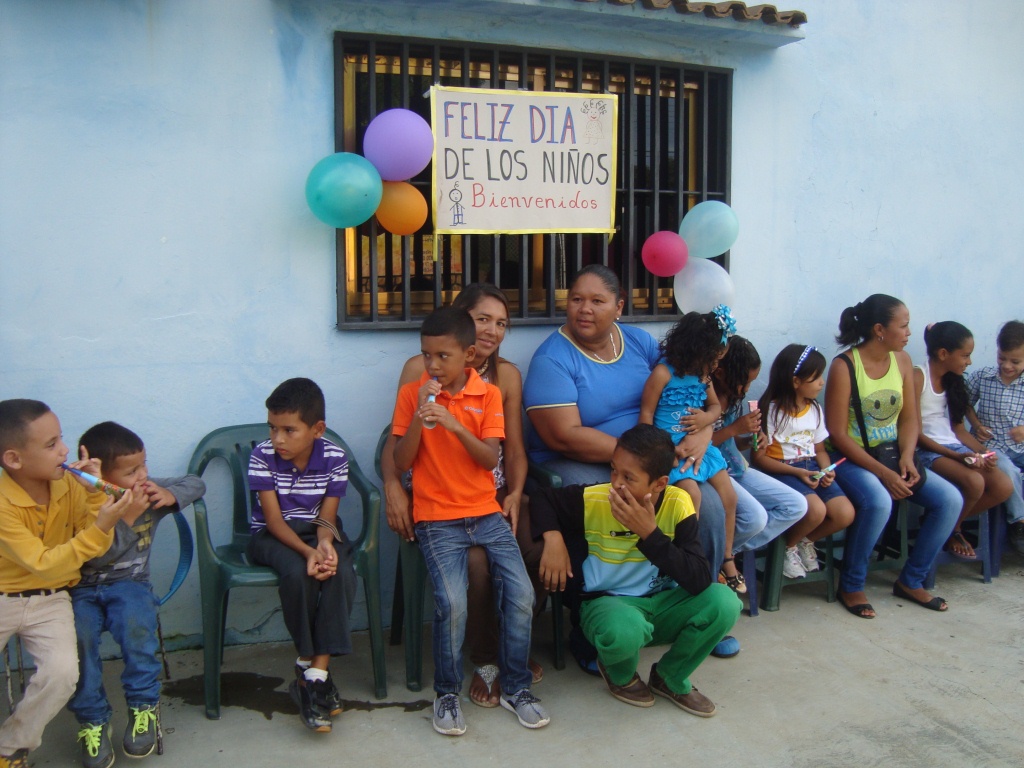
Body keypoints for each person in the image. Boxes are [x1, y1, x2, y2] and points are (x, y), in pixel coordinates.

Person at [523, 264, 738, 659]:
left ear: (619, 306)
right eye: (576, 299)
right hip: (581, 459)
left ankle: (698, 607)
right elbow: (563, 435)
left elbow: (686, 384)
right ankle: (595, 625)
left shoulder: (638, 342)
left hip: (655, 450)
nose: (583, 309)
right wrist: (643, 458)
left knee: (699, 507)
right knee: (610, 505)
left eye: (596, 301)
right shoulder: (552, 360)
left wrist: (705, 430)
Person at [379, 283, 542, 708]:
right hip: (440, 495)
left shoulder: (502, 379)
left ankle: (516, 656)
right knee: (475, 565)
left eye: (501, 323)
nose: (491, 330)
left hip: (491, 489)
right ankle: (486, 660)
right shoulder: (420, 370)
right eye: (482, 319)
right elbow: (395, 443)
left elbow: (512, 450)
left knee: (530, 547)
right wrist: (393, 487)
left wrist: (516, 493)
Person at [531, 424, 740, 716]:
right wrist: (553, 538)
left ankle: (670, 676)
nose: (616, 483)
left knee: (725, 602)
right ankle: (621, 676)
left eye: (629, 477)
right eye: (614, 470)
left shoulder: (679, 504)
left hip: (662, 605)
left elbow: (698, 579)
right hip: (610, 606)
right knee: (625, 630)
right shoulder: (597, 499)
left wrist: (650, 535)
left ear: (659, 483)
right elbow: (542, 499)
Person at [0, 399, 132, 768]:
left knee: (61, 674)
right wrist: (101, 525)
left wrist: (93, 496)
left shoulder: (70, 486)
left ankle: (11, 746)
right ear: (14, 460)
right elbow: (42, 562)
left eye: (62, 439)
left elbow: (94, 543)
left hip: (52, 599)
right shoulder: (2, 504)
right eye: (51, 444)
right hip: (3, 596)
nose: (64, 451)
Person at [70, 422, 206, 768]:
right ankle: (92, 719)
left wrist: (173, 495)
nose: (143, 476)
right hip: (80, 590)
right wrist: (127, 517)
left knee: (136, 626)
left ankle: (143, 706)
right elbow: (95, 556)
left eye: (144, 465)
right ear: (101, 473)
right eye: (131, 471)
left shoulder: (148, 490)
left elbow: (196, 482)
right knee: (78, 639)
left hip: (130, 585)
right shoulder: (79, 500)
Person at [824, 294, 961, 618]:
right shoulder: (845, 366)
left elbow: (910, 418)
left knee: (950, 501)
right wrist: (884, 474)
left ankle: (911, 580)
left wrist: (907, 457)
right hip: (851, 459)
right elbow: (838, 434)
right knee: (879, 501)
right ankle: (852, 584)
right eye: (904, 325)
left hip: (894, 456)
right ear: (879, 329)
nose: (909, 332)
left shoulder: (902, 360)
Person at [247, 378, 356, 733]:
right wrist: (308, 552)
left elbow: (328, 515)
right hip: (271, 535)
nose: (278, 439)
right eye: (273, 428)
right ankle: (315, 676)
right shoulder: (262, 456)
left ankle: (313, 675)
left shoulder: (335, 457)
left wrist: (324, 544)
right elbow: (275, 522)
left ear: (317, 429)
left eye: (289, 430)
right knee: (298, 573)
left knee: (339, 569)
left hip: (316, 530)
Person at [639, 306, 744, 594]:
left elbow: (715, 407)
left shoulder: (703, 377)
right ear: (697, 350)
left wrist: (706, 419)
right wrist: (657, 455)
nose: (715, 364)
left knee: (729, 497)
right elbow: (646, 415)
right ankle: (683, 560)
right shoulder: (663, 373)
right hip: (671, 453)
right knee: (691, 495)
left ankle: (726, 557)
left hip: (702, 447)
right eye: (714, 357)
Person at [751, 345, 854, 579]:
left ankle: (804, 542)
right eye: (816, 377)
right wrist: (796, 473)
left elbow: (819, 448)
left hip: (812, 469)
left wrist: (827, 470)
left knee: (844, 513)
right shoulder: (771, 411)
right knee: (816, 510)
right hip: (783, 471)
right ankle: (786, 549)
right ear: (796, 381)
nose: (822, 383)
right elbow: (760, 459)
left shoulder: (815, 408)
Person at [915, 323, 1012, 558]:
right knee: (975, 482)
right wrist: (959, 456)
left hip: (953, 446)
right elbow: (915, 433)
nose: (969, 362)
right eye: (966, 356)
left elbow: (958, 429)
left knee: (1003, 485)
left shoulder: (953, 380)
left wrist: (983, 452)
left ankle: (948, 523)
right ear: (943, 354)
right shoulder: (919, 376)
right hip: (926, 449)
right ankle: (953, 528)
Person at [710, 337, 808, 562]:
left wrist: (748, 440)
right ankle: (719, 556)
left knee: (796, 505)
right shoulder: (704, 396)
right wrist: (735, 428)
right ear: (720, 372)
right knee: (754, 517)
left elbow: (729, 443)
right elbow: (700, 445)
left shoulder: (732, 397)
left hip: (736, 468)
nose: (746, 390)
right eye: (743, 382)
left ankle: (725, 553)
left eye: (751, 383)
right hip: (714, 472)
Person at [967, 320, 1024, 553]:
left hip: (1020, 450)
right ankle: (1019, 523)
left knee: (1014, 466)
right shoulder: (983, 377)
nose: (1007, 366)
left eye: (1015, 361)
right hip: (989, 448)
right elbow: (963, 405)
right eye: (1002, 358)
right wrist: (976, 423)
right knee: (1007, 470)